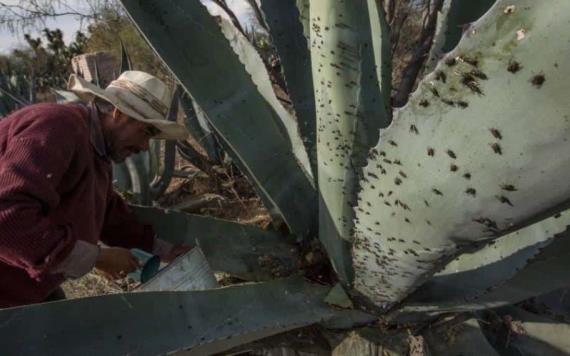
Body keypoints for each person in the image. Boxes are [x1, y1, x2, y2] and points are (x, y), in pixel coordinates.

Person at [0, 70, 191, 308]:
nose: (144, 146)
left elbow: (107, 214)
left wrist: (165, 251)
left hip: (25, 284)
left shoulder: (95, 150)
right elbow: (7, 216)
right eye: (146, 132)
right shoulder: (55, 128)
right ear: (119, 113)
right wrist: (96, 258)